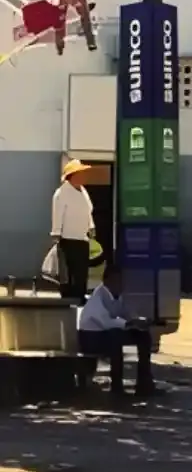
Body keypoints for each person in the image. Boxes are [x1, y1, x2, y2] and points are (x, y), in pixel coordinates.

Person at [77, 265, 157, 399]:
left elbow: (125, 312)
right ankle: (117, 385)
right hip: (91, 337)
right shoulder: (99, 297)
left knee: (143, 335)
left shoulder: (117, 296)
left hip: (107, 334)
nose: (119, 284)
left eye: (121, 281)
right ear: (106, 281)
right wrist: (128, 323)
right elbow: (105, 321)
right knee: (115, 337)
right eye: (116, 280)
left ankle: (144, 382)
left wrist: (137, 321)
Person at [51, 159, 95, 302]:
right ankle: (68, 298)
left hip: (82, 238)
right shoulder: (61, 193)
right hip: (67, 239)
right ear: (73, 175)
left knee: (81, 270)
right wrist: (56, 233)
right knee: (69, 271)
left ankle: (79, 296)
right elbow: (57, 214)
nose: (84, 176)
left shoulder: (83, 191)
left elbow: (88, 211)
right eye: (81, 173)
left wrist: (91, 226)